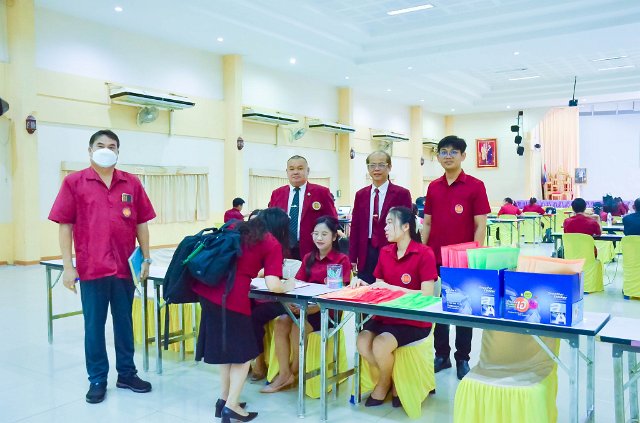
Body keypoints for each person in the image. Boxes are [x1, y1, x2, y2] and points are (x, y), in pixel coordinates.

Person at [48, 129, 156, 404]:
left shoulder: (131, 183)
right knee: (94, 326)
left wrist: (145, 258)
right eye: (100, 145)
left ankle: (127, 374)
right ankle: (97, 379)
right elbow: (65, 225)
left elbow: (142, 223)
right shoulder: (74, 182)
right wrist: (68, 266)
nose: (106, 150)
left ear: (118, 151)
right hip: (92, 267)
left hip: (124, 268)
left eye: (112, 146)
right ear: (90, 150)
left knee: (124, 323)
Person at [192, 208, 294, 422]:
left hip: (208, 292)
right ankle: (231, 406)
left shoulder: (237, 227)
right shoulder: (271, 243)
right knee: (243, 355)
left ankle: (223, 400)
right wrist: (288, 285)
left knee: (226, 351)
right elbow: (273, 285)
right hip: (233, 298)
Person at [351, 206, 437, 407]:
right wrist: (366, 286)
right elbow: (380, 287)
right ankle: (390, 379)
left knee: (380, 344)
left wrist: (393, 288)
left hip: (413, 319)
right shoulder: (385, 251)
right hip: (386, 315)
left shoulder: (424, 253)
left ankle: (382, 385)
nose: (385, 228)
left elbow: (427, 294)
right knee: (362, 341)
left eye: (390, 223)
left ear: (406, 226)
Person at [423, 135, 490, 380]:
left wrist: (474, 256)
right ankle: (442, 355)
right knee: (438, 309)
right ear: (438, 156)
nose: (448, 156)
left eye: (453, 152)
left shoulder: (475, 185)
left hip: (463, 261)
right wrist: (422, 253)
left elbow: (480, 225)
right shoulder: (433, 187)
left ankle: (463, 358)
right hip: (435, 259)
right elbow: (427, 223)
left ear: (463, 156)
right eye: (443, 151)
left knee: (463, 309)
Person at [262, 216, 351, 393]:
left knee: (297, 327)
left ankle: (295, 371)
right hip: (303, 308)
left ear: (334, 236)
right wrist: (293, 303)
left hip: (326, 312)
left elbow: (340, 295)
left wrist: (311, 309)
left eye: (324, 234)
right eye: (315, 233)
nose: (319, 238)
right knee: (281, 322)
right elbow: (297, 283)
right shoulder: (309, 257)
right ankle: (285, 374)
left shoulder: (341, 260)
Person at [349, 151, 412, 283]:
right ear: (368, 168)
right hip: (366, 251)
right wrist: (352, 257)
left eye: (381, 165)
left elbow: (408, 226)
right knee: (365, 288)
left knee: (388, 287)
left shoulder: (401, 193)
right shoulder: (361, 195)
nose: (376, 169)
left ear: (389, 167)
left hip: (392, 249)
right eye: (372, 165)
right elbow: (355, 227)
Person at [249, 208, 291, 381]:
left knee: (254, 316)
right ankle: (254, 361)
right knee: (249, 313)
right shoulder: (269, 244)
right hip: (265, 294)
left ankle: (257, 362)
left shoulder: (273, 245)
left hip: (273, 298)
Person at [269, 155, 337, 260]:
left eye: (300, 168)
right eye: (292, 169)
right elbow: (269, 223)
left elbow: (333, 221)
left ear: (307, 170)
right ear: (287, 172)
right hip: (283, 251)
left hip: (313, 250)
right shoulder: (277, 194)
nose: (295, 172)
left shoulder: (321, 192)